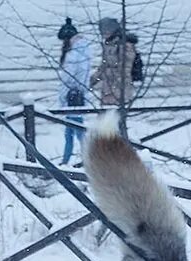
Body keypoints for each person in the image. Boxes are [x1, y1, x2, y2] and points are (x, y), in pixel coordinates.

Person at [56, 16, 91, 165]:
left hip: (72, 96)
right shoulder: (84, 52)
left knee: (76, 131)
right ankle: (66, 160)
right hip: (79, 95)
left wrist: (62, 97)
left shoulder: (72, 55)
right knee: (71, 131)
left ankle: (88, 159)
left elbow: (67, 79)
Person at [91, 17, 138, 113]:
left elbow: (126, 67)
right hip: (108, 85)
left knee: (115, 114)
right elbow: (103, 65)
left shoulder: (123, 44)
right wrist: (94, 79)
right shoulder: (108, 45)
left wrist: (118, 83)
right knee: (106, 114)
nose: (104, 34)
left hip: (118, 87)